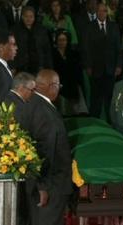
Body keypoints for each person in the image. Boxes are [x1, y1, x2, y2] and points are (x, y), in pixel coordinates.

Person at [21, 69, 72, 225]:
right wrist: (43, 186)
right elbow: (43, 151)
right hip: (52, 186)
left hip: (44, 183)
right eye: (58, 85)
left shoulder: (33, 103)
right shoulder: (44, 112)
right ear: (52, 86)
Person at [83, 2, 121, 121]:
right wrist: (88, 66)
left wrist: (119, 65)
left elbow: (118, 48)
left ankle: (111, 123)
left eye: (104, 10)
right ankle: (94, 122)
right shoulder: (89, 27)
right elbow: (86, 48)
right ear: (96, 12)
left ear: (107, 12)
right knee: (96, 99)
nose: (102, 13)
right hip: (95, 69)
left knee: (110, 98)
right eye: (99, 10)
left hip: (111, 68)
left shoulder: (114, 26)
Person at [52, 29, 87, 115]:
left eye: (64, 40)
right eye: (59, 40)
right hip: (59, 87)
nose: (62, 42)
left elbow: (78, 71)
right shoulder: (52, 54)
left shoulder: (74, 54)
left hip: (73, 86)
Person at [11, 6, 52, 74]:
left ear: (34, 17)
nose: (28, 19)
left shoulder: (41, 30)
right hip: (21, 65)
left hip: (39, 65)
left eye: (31, 16)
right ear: (22, 17)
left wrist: (49, 67)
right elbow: (11, 49)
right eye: (26, 16)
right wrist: (12, 65)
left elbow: (47, 49)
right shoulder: (15, 30)